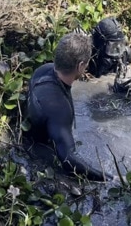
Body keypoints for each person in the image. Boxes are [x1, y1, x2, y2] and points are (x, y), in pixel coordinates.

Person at [25, 32, 113, 181]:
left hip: (35, 127)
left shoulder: (44, 69)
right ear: (80, 66)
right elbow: (68, 160)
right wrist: (108, 178)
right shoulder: (59, 108)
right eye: (86, 63)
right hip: (40, 149)